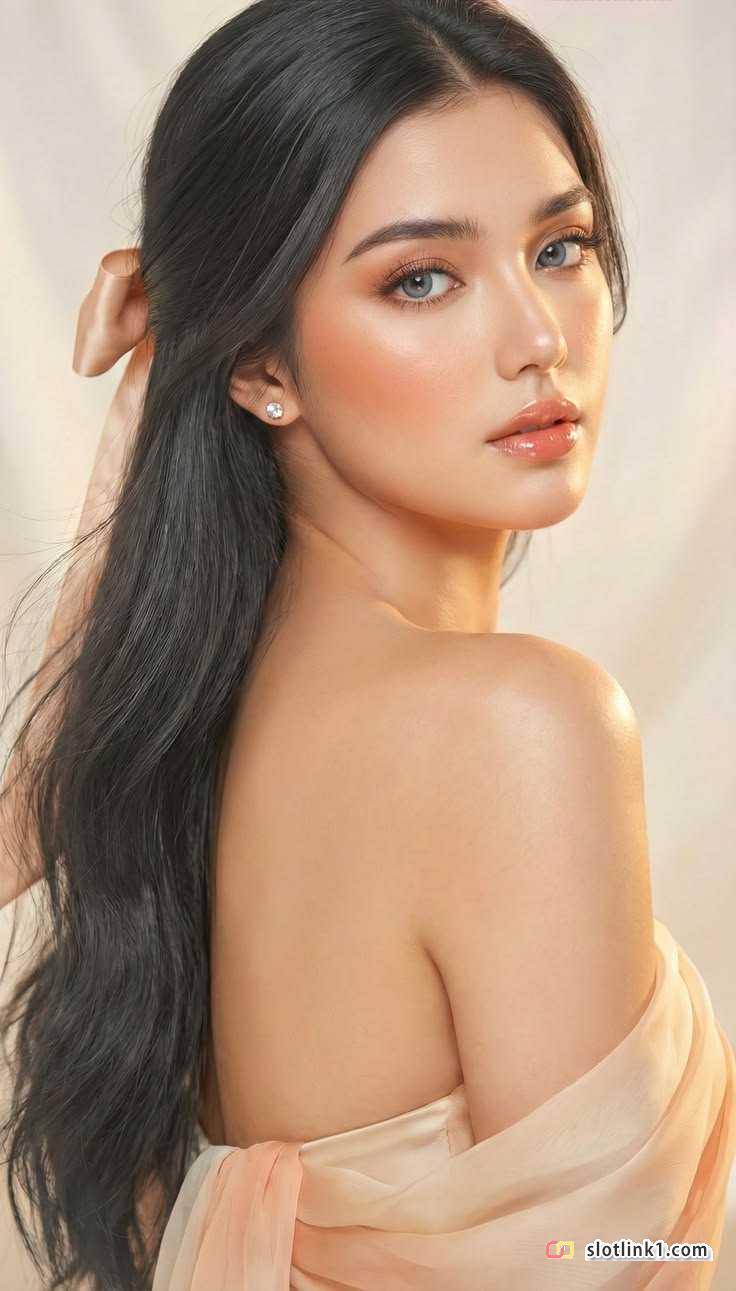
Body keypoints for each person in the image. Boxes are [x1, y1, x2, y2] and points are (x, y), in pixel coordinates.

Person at [1, 1, 733, 1287]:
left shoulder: (204, 719)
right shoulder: (514, 724)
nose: (538, 338)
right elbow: (591, 1258)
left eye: (559, 247)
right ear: (260, 366)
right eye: (421, 279)